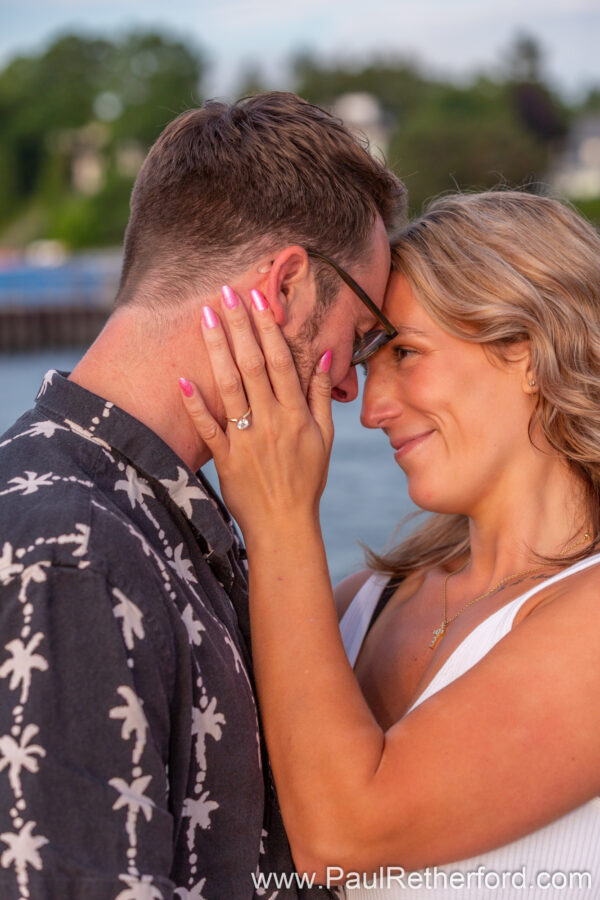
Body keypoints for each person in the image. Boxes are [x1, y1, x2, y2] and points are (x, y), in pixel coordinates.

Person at [0, 92, 406, 899]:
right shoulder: (75, 553)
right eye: (360, 336)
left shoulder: (139, 511)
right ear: (285, 287)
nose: (352, 383)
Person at [181, 191, 600, 899]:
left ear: (528, 349)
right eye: (371, 363)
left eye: (406, 352)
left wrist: (281, 517)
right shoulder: (360, 604)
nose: (372, 410)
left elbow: (343, 835)